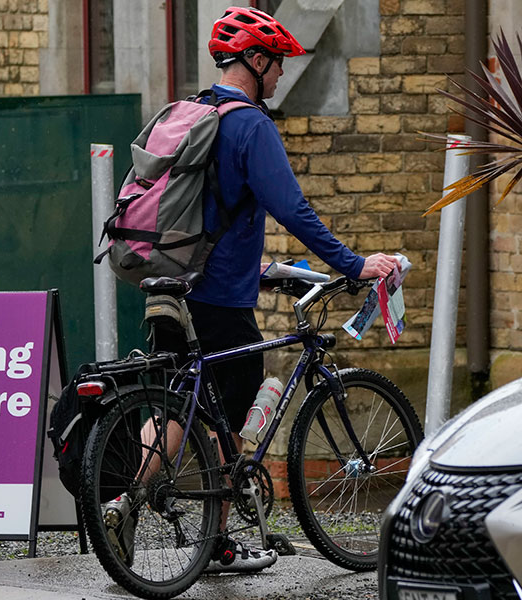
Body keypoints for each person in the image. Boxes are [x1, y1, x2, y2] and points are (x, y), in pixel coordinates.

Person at [103, 6, 401, 574]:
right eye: (278, 63)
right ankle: (201, 534)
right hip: (218, 302)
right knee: (237, 402)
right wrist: (352, 263)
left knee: (181, 402)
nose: (282, 74)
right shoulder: (251, 126)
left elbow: (209, 215)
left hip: (170, 284)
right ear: (255, 61)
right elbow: (292, 208)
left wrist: (263, 271)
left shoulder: (194, 110)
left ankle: (131, 503)